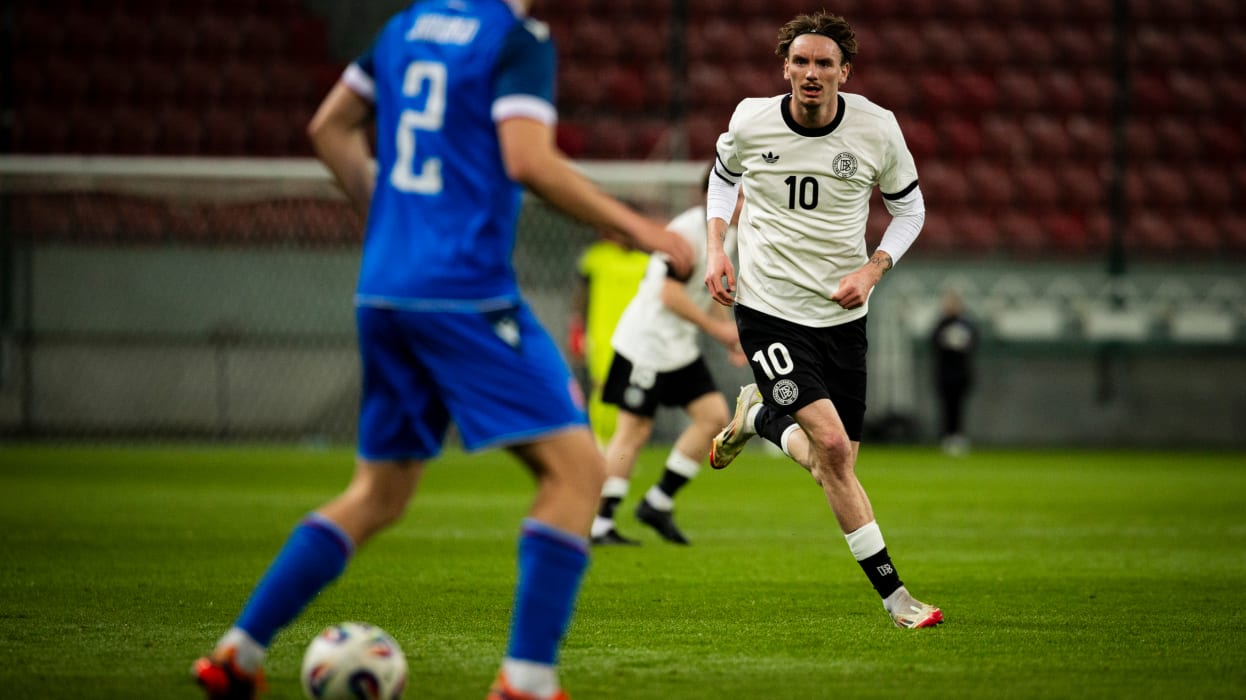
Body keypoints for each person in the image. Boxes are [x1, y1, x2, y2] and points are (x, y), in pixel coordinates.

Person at [191, 2, 693, 699]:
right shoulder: (517, 40)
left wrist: (393, 221)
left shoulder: (404, 27)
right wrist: (640, 228)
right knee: (578, 472)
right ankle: (526, 681)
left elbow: (327, 127)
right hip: (464, 294)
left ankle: (238, 654)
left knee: (378, 493)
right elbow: (528, 159)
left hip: (386, 290)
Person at [703, 11, 943, 630]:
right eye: (801, 62)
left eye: (824, 63)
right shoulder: (750, 119)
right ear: (785, 68)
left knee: (830, 463)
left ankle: (757, 416)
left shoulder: (876, 129)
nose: (811, 73)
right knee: (833, 448)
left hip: (842, 314)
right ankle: (897, 600)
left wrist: (873, 268)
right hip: (768, 311)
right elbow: (723, 178)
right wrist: (715, 248)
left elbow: (910, 211)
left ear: (845, 72)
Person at [590, 169, 747, 546]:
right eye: (738, 196)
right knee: (634, 430)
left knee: (714, 418)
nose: (745, 203)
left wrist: (727, 332)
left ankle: (657, 502)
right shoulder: (686, 232)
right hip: (645, 344)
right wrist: (720, 331)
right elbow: (669, 295)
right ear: (716, 198)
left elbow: (709, 289)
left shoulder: (732, 235)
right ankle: (600, 523)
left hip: (678, 346)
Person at [568, 232, 649, 446]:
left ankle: (617, 444)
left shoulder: (645, 262)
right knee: (603, 387)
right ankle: (599, 442)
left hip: (636, 336)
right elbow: (581, 296)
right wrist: (577, 327)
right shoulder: (596, 258)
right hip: (602, 332)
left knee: (629, 390)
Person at [931, 289, 977, 456]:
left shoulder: (966, 324)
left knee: (958, 407)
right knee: (946, 406)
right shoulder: (941, 324)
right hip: (944, 374)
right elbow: (934, 343)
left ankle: (958, 436)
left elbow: (973, 344)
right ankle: (947, 437)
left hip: (961, 374)